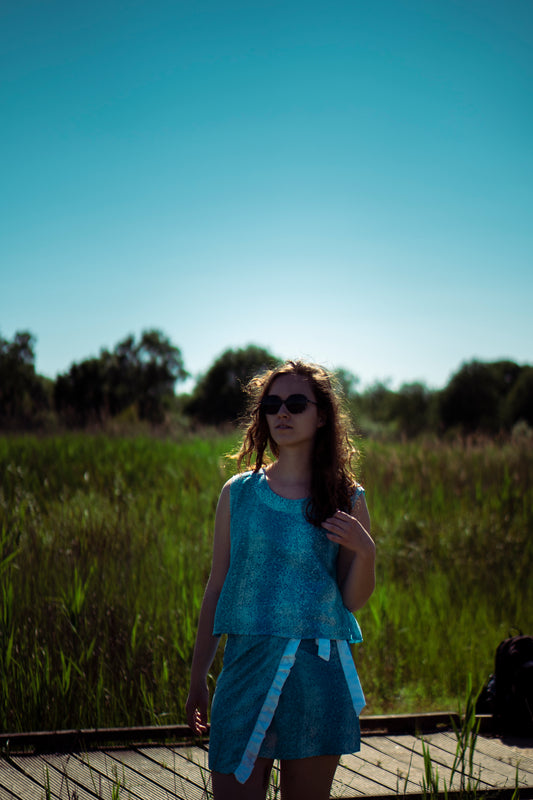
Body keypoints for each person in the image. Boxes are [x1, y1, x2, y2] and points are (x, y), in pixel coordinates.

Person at [186, 359, 375, 800]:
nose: (282, 413)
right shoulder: (238, 493)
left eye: (295, 403)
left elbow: (352, 599)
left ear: (322, 415)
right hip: (245, 668)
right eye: (272, 405)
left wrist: (367, 552)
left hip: (317, 674)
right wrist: (198, 677)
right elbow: (217, 587)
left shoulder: (346, 496)